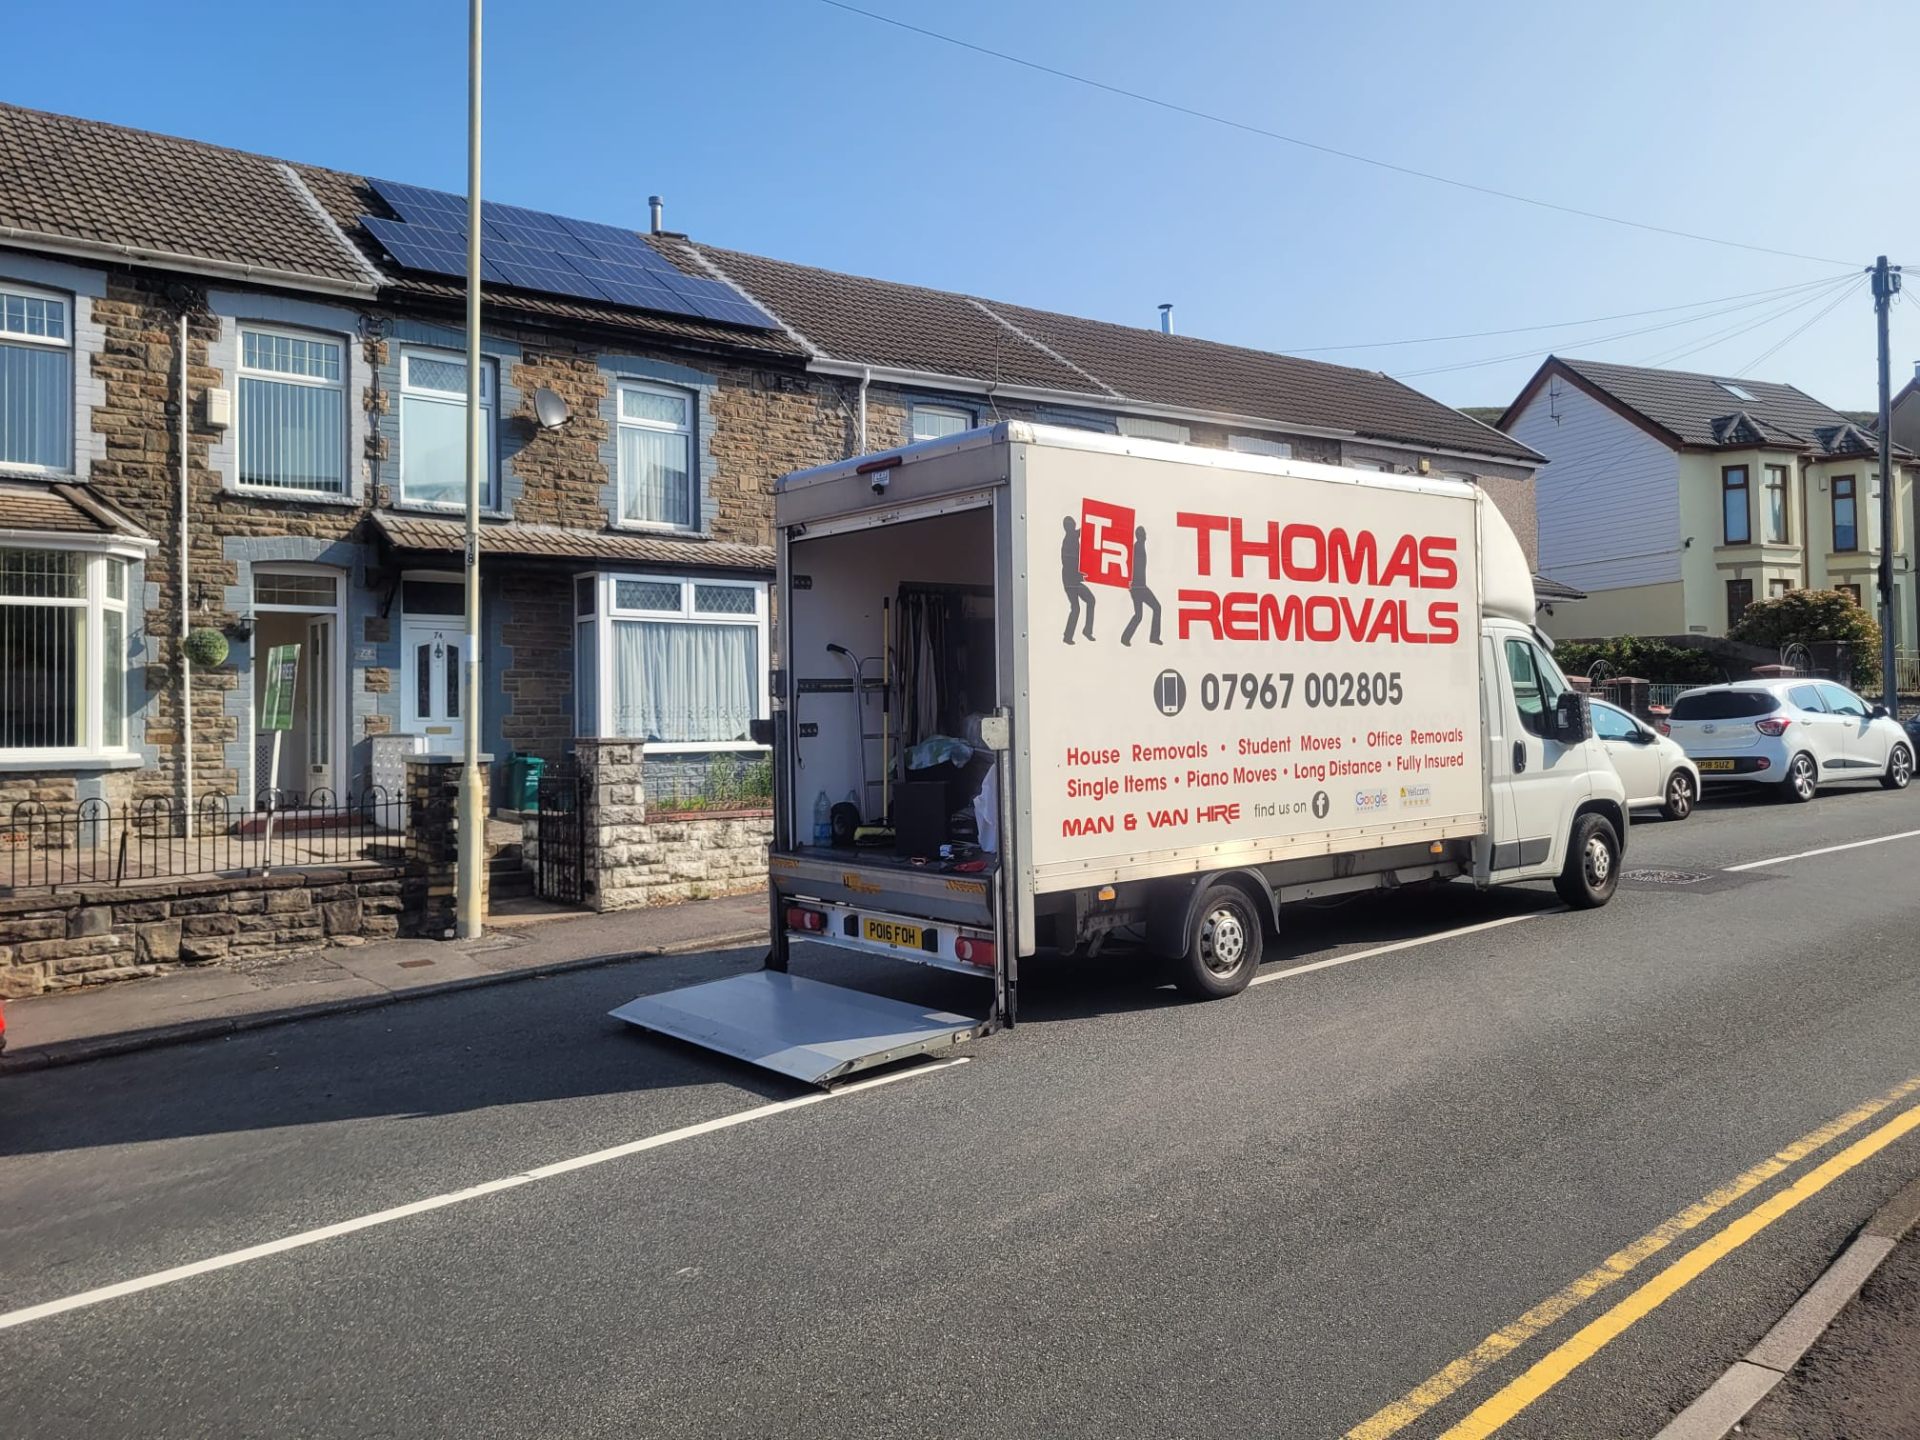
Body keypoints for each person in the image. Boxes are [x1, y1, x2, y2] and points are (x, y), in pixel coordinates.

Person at [1121, 525, 1163, 646]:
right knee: (1156, 608)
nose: (1145, 536)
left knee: (1139, 615)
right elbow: (1134, 566)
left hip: (1137, 586)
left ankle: (1125, 638)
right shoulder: (1138, 547)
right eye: (1143, 534)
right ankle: (1154, 637)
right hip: (1139, 587)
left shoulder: (1139, 546)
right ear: (1140, 536)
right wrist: (1131, 583)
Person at [1061, 516, 1096, 643]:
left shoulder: (1072, 536)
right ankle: (1070, 636)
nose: (1075, 525)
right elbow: (1069, 563)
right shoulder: (1069, 540)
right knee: (1079, 606)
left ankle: (1076, 634)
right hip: (1071, 581)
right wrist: (1080, 576)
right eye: (1072, 524)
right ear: (1068, 527)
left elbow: (1082, 531)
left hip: (1072, 580)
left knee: (1084, 603)